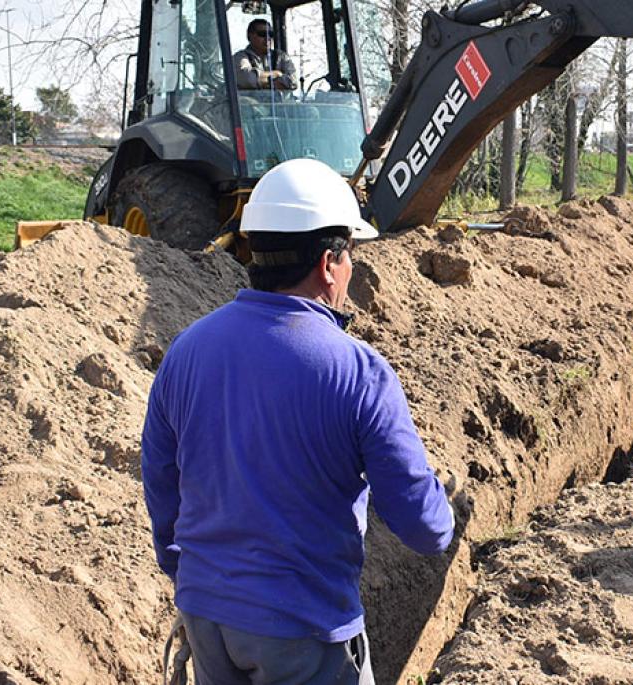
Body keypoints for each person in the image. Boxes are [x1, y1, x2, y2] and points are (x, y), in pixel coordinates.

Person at [142, 158, 455, 684]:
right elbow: (424, 528)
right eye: (351, 253)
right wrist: (442, 508)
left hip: (207, 616)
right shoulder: (359, 372)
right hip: (304, 628)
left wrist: (187, 570)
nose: (352, 269)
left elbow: (160, 480)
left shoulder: (187, 351)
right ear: (330, 263)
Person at [234, 18, 296, 91]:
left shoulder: (281, 56)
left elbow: (293, 81)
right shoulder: (240, 57)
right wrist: (277, 74)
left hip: (280, 102)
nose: (268, 38)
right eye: (262, 34)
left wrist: (263, 81)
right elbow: (247, 79)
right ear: (250, 36)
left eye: (270, 34)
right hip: (251, 102)